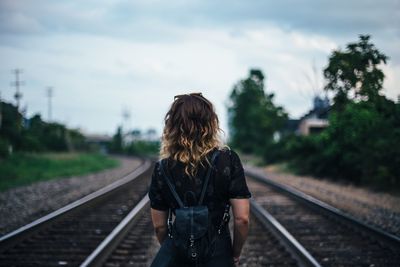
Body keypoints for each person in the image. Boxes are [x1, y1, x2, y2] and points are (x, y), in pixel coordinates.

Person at [149, 93, 251, 266]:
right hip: (218, 253)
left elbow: (160, 227)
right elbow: (242, 219)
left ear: (172, 125)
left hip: (179, 252)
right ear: (211, 124)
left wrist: (179, 251)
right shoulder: (228, 160)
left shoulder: (162, 168)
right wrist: (234, 253)